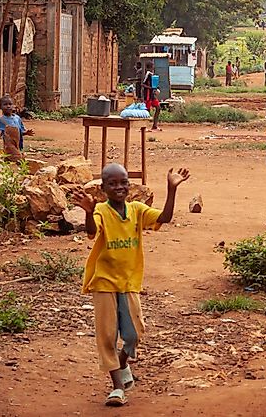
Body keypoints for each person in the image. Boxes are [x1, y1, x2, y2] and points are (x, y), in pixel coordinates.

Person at [74, 164, 190, 407]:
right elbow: (91, 231)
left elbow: (164, 218)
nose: (119, 187)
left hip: (129, 281)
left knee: (134, 332)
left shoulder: (136, 210)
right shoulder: (101, 211)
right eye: (113, 184)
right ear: (103, 188)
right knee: (107, 335)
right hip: (103, 281)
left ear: (129, 185)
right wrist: (88, 212)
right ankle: (117, 388)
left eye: (123, 182)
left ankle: (123, 361)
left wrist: (172, 189)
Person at [0, 95, 34, 161]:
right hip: (9, 145)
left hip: (18, 143)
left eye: (10, 104)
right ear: (0, 107)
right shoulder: (0, 120)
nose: (8, 106)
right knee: (17, 157)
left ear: (13, 106)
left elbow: (19, 132)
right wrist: (1, 133)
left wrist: (26, 133)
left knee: (12, 158)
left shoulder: (17, 118)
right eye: (5, 104)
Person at [142, 65, 161, 131]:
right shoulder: (147, 74)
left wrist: (157, 89)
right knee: (147, 111)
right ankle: (144, 127)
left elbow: (155, 85)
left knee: (158, 108)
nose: (153, 68)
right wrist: (150, 88)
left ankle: (155, 125)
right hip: (148, 95)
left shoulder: (153, 75)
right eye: (151, 67)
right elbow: (143, 84)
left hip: (152, 95)